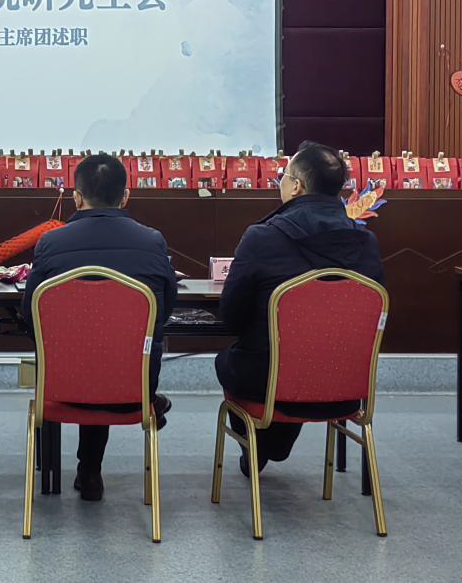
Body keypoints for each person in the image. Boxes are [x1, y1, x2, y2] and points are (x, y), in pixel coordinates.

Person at [216, 141, 384, 476]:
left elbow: (231, 317)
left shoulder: (262, 238)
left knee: (232, 361)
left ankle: (263, 444)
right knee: (298, 362)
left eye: (283, 176)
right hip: (345, 386)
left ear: (296, 186)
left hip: (270, 382)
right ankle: (273, 444)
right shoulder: (366, 243)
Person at [24, 153, 178, 501]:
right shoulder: (152, 241)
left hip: (62, 383)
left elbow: (31, 314)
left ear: (77, 197)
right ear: (125, 196)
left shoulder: (51, 242)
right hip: (133, 383)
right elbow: (165, 310)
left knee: (88, 357)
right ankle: (91, 471)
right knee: (108, 356)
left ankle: (85, 472)